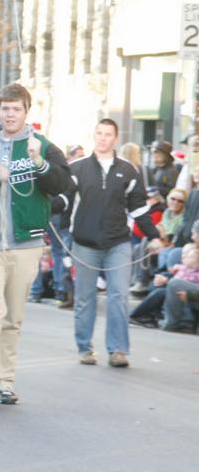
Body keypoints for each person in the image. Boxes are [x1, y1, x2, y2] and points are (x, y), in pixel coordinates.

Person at [0, 83, 71, 408]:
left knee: (12, 318)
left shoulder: (44, 146)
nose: (10, 114)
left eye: (16, 109)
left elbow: (62, 185)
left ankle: (4, 381)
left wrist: (38, 162)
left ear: (26, 112)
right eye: (5, 108)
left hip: (26, 243)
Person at [63, 119, 160, 369]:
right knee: (85, 297)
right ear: (94, 136)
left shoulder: (128, 170)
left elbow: (139, 208)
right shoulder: (77, 168)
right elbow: (63, 202)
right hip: (84, 242)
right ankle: (85, 348)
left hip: (118, 242)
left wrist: (154, 236)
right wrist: (48, 223)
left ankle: (118, 350)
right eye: (99, 133)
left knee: (119, 295)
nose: (103, 138)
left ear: (115, 138)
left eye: (108, 134)